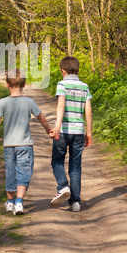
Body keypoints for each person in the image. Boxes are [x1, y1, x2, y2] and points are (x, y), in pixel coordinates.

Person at [0, 69, 54, 215]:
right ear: (24, 84)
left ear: (7, 85)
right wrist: (48, 130)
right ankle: (19, 201)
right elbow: (41, 118)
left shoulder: (2, 102)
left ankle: (10, 202)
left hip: (8, 145)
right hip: (25, 144)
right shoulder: (29, 102)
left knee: (10, 172)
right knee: (23, 172)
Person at [50, 56, 92, 212]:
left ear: (63, 71)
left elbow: (61, 106)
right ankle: (75, 202)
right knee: (75, 167)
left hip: (64, 131)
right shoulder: (84, 86)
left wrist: (57, 127)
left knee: (57, 161)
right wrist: (89, 132)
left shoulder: (62, 84)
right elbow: (88, 110)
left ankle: (62, 186)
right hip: (79, 132)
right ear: (77, 70)